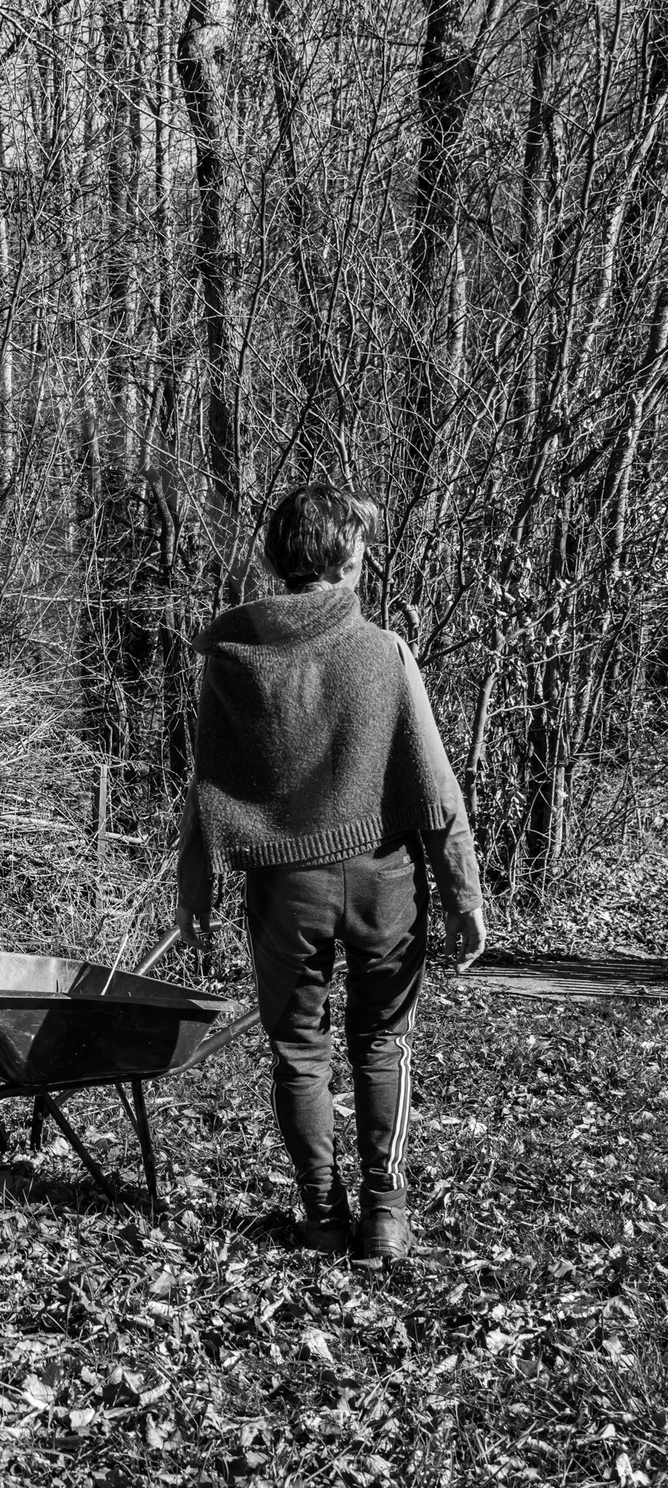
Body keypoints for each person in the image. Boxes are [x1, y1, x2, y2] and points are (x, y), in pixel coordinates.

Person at [176, 485, 486, 1262]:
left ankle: (321, 1214)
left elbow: (206, 790)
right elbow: (434, 782)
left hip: (285, 890)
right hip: (385, 879)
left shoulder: (233, 662)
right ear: (345, 559)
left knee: (300, 1053)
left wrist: (195, 898)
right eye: (362, 551)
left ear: (278, 560)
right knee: (382, 1043)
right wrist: (463, 893)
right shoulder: (383, 652)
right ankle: (384, 1216)